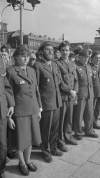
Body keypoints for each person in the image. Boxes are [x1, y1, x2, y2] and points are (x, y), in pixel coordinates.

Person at [6, 45, 42, 176]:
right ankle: (21, 163)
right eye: (22, 55)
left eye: (27, 56)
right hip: (19, 112)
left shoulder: (32, 70)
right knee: (21, 140)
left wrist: (38, 108)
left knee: (31, 138)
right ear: (15, 57)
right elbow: (7, 94)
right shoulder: (10, 71)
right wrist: (8, 116)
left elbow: (36, 90)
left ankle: (28, 160)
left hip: (32, 109)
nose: (26, 58)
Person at [33, 41, 63, 163]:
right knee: (46, 129)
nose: (51, 51)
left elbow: (59, 82)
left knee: (54, 128)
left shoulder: (55, 65)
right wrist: (39, 105)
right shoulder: (37, 65)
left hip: (56, 101)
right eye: (47, 49)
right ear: (41, 52)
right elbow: (36, 88)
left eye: (52, 49)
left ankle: (53, 147)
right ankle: (45, 151)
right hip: (46, 103)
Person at [55, 41, 78, 151]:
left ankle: (68, 136)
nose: (65, 52)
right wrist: (70, 91)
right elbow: (59, 82)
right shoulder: (57, 64)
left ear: (70, 51)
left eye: (67, 50)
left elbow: (76, 79)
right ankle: (60, 141)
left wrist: (75, 91)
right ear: (59, 52)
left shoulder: (73, 64)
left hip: (71, 97)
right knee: (62, 120)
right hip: (63, 96)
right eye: (63, 50)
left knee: (69, 118)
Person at [73, 50, 98, 140]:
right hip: (80, 94)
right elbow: (75, 82)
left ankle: (89, 130)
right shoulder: (75, 66)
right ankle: (78, 132)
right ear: (79, 57)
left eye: (87, 57)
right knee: (79, 115)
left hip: (89, 93)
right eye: (84, 57)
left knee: (89, 113)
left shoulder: (88, 67)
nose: (86, 59)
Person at [0, 54, 15, 178]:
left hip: (1, 109)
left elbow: (6, 85)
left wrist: (11, 104)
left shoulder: (0, 61)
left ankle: (1, 169)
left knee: (2, 143)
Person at [90, 51, 100, 129]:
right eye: (96, 58)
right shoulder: (90, 67)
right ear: (92, 58)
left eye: (99, 58)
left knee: (97, 108)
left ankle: (95, 122)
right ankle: (90, 124)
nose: (98, 59)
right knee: (91, 109)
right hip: (93, 92)